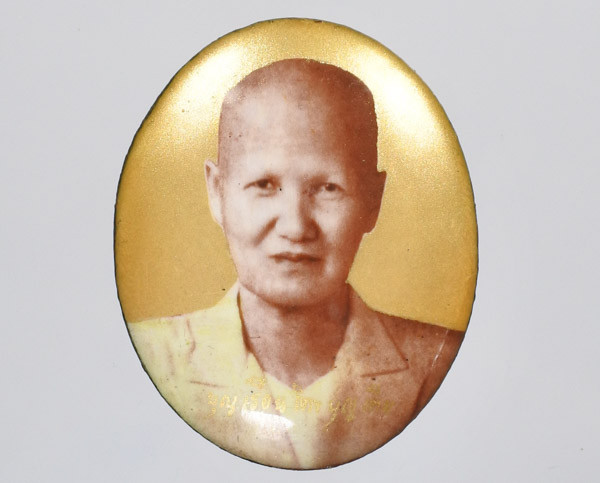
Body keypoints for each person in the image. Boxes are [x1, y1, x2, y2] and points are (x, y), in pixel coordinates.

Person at [128, 59, 464, 469]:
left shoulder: (440, 364)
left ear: (372, 201)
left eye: (327, 188)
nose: (295, 226)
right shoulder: (149, 359)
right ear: (217, 192)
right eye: (264, 185)